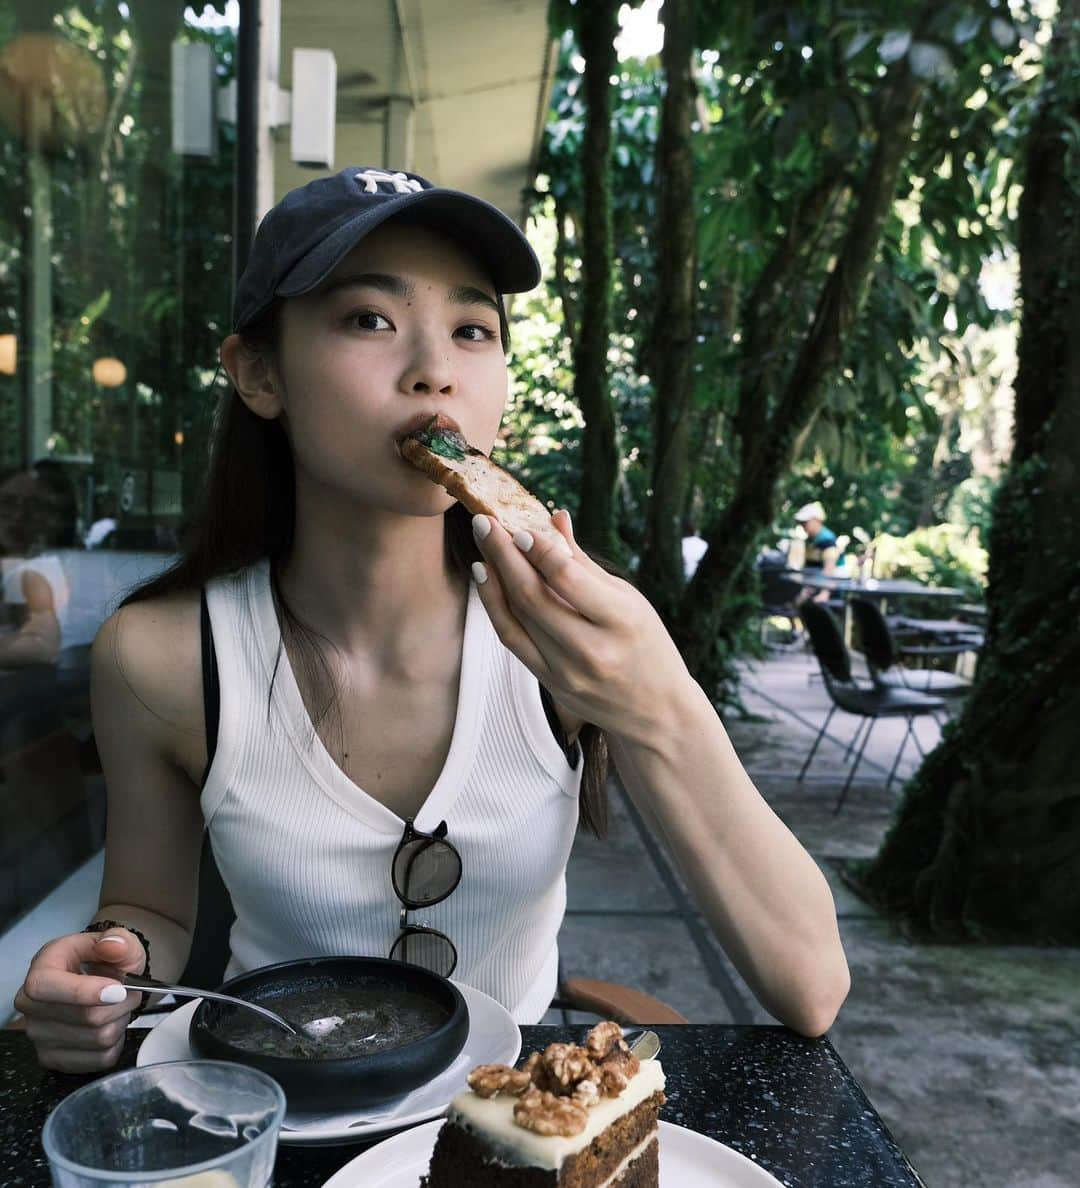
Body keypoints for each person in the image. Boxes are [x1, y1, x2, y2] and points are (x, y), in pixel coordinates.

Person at [14, 166, 849, 1072]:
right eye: (369, 318)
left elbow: (810, 988)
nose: (435, 372)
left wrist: (657, 700)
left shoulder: (568, 637)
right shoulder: (162, 656)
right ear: (257, 372)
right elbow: (153, 914)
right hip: (279, 1109)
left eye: (472, 329)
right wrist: (113, 968)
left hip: (518, 1122)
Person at [792, 501, 839, 606]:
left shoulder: (827, 539)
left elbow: (829, 569)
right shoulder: (810, 540)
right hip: (814, 585)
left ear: (816, 520)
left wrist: (824, 593)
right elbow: (809, 566)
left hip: (831, 589)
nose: (803, 525)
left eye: (805, 522)